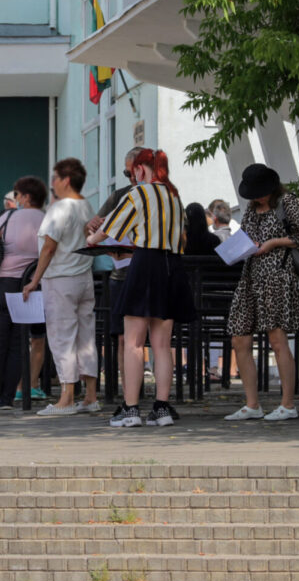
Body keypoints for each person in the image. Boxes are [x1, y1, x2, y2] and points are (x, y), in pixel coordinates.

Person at [88, 148, 192, 428]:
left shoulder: (139, 194)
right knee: (162, 344)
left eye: (133, 169)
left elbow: (110, 228)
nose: (132, 175)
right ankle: (161, 408)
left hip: (145, 263)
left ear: (142, 169)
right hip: (173, 266)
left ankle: (131, 409)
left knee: (133, 341)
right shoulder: (174, 196)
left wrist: (92, 240)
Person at [222, 163, 299, 423]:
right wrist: (240, 247)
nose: (257, 197)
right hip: (251, 277)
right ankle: (251, 403)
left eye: (260, 192)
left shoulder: (286, 202)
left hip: (277, 276)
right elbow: (245, 234)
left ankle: (288, 404)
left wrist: (275, 242)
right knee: (239, 339)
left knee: (278, 341)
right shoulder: (251, 208)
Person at [26, 157, 101, 416]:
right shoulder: (86, 206)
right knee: (85, 336)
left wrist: (34, 280)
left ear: (66, 180)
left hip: (60, 279)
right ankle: (90, 395)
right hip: (84, 277)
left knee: (62, 337)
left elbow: (49, 247)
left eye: (55, 179)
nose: (52, 184)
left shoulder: (59, 209)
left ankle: (67, 397)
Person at [0, 177, 47, 412]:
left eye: (18, 195)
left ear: (25, 197)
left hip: (0, 284)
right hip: (29, 285)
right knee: (17, 343)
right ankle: (7, 398)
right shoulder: (46, 220)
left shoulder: (9, 217)